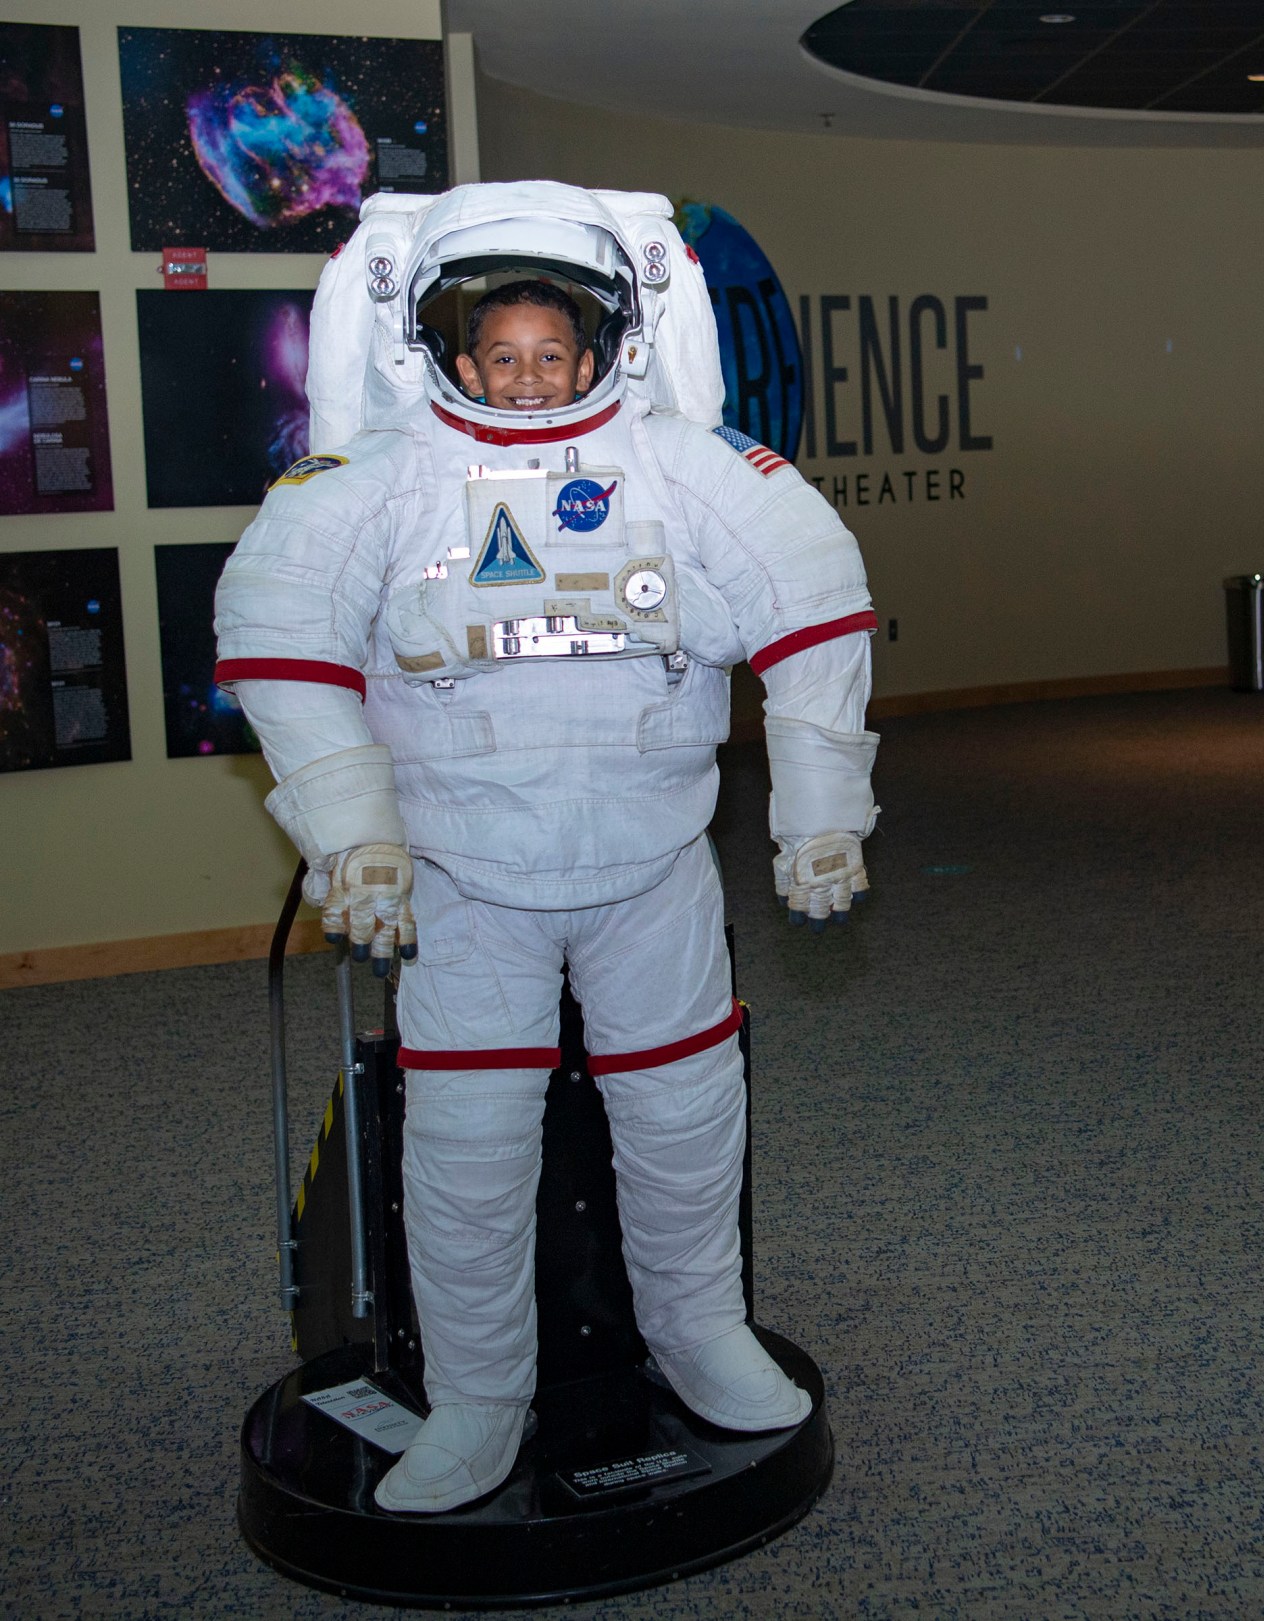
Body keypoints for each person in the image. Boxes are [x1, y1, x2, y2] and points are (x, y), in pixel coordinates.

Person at [216, 182, 880, 1514]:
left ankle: (699, 1335)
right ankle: (476, 1402)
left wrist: (820, 811)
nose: (528, 381)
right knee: (465, 1145)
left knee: (686, 1115)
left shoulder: (684, 467)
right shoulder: (381, 481)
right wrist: (356, 835)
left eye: (553, 355)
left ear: (606, 349)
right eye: (501, 356)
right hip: (463, 881)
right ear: (451, 356)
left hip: (654, 870)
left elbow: (817, 603)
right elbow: (275, 632)